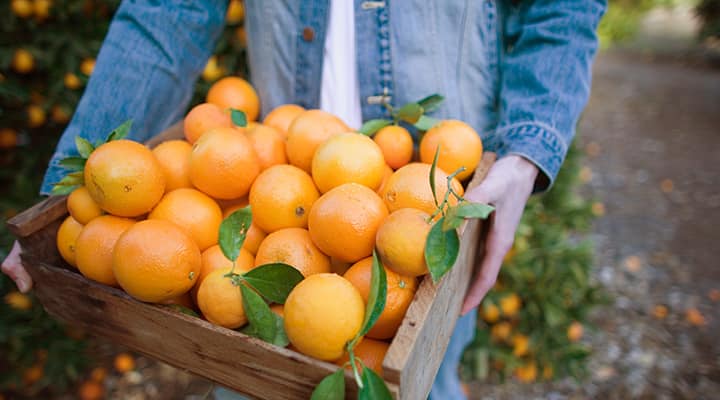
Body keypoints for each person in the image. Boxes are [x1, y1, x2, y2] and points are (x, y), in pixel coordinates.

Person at [2, 1, 606, 398]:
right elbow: (170, 7)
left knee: (416, 374)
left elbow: (561, 8)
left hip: (432, 195)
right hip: (271, 174)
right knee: (256, 365)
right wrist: (74, 187)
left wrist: (528, 151)